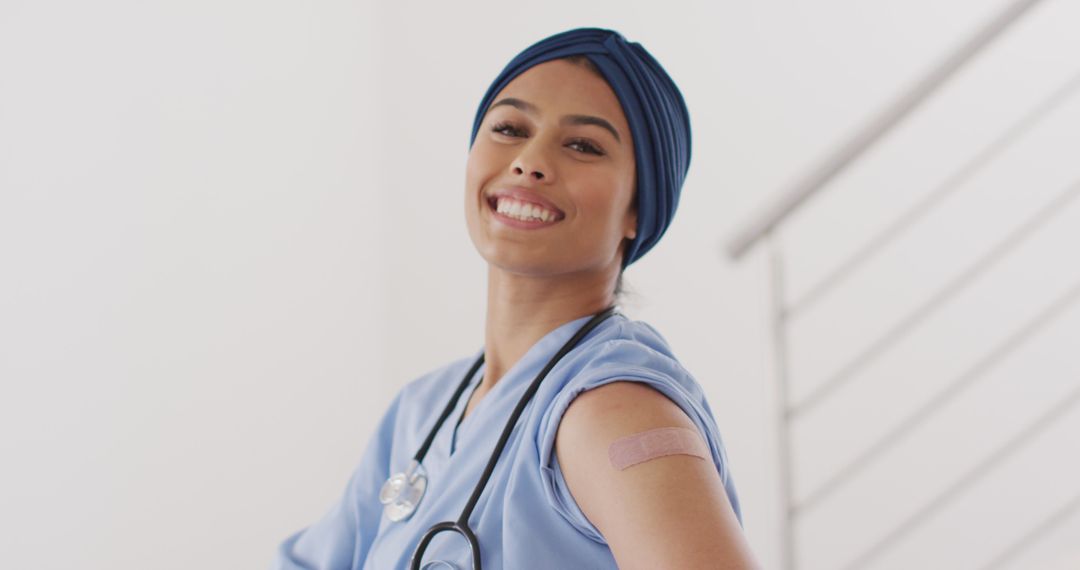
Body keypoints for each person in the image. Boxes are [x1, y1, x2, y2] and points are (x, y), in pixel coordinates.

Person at [274, 28, 759, 569]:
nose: (530, 161)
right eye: (509, 128)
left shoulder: (614, 413)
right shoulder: (422, 412)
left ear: (638, 210)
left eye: (583, 145)